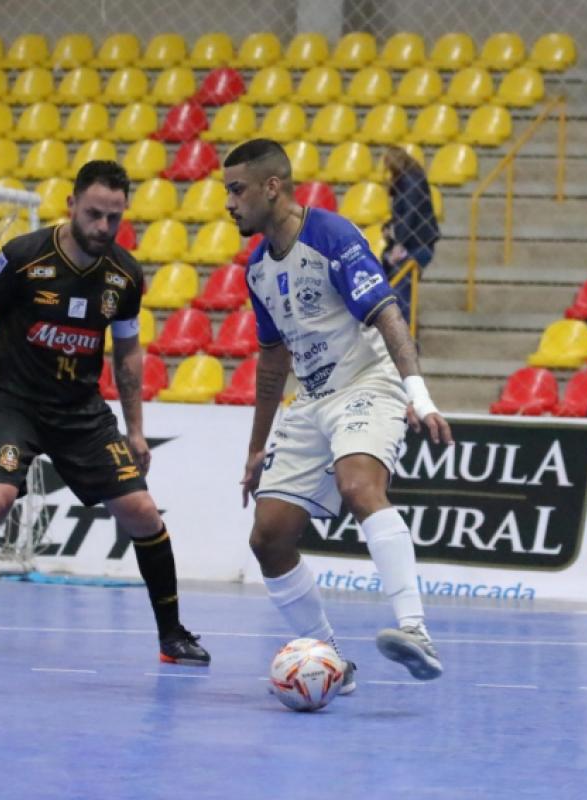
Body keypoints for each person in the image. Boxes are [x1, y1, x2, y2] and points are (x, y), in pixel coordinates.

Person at [0, 161, 209, 665]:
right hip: (14, 400)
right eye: (94, 214)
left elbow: (127, 352)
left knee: (142, 511)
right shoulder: (24, 257)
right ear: (71, 205)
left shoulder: (124, 274)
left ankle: (172, 636)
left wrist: (136, 430)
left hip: (79, 409)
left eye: (114, 217)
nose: (103, 226)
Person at [224, 139, 453, 693]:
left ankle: (416, 630)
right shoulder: (258, 269)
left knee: (358, 485)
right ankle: (332, 661)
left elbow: (388, 315)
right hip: (310, 399)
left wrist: (418, 395)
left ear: (272, 187)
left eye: (237, 190)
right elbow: (272, 361)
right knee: (268, 537)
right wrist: (256, 447)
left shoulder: (332, 235)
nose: (228, 203)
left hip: (366, 382)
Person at [380, 146, 440, 326]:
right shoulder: (408, 181)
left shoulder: (410, 182)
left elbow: (410, 213)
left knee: (400, 292)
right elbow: (404, 213)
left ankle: (404, 335)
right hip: (415, 242)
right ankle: (403, 332)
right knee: (397, 289)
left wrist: (399, 243)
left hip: (416, 244)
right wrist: (388, 226)